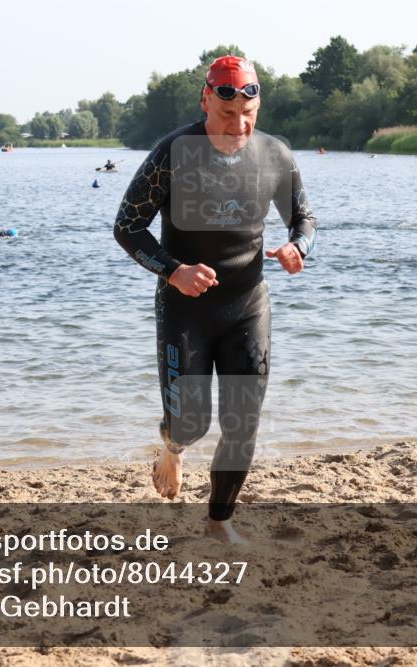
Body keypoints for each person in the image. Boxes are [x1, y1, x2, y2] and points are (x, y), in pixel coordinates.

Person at [113, 55, 317, 544]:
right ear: (206, 100)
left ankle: (219, 520)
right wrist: (174, 270)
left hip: (247, 304)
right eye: (228, 116)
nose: (239, 126)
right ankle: (174, 448)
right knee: (189, 424)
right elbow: (127, 227)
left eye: (249, 115)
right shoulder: (174, 152)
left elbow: (304, 219)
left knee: (243, 421)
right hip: (186, 308)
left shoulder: (275, 155)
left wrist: (297, 247)